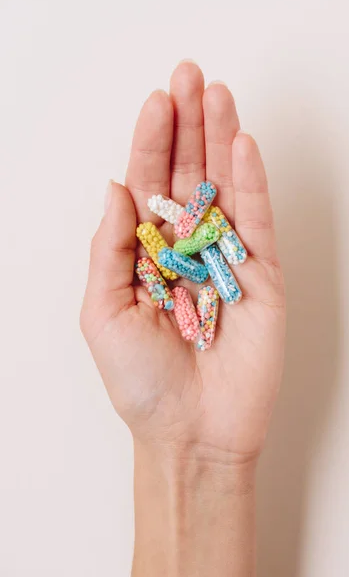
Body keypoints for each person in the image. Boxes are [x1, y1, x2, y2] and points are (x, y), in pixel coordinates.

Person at [80, 60, 286, 576]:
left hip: (195, 274)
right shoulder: (178, 254)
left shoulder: (196, 246)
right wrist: (176, 441)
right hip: (188, 277)